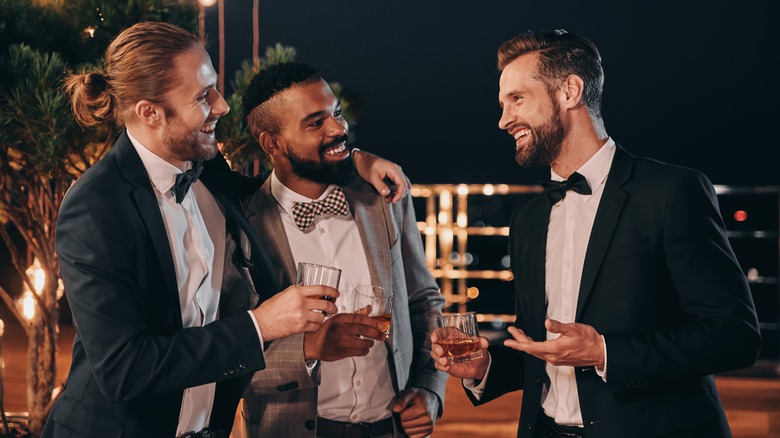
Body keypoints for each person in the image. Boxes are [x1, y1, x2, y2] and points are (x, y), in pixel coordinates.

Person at [44, 22, 408, 438]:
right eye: (203, 96)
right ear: (150, 113)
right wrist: (260, 325)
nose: (222, 105)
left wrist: (351, 160)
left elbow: (277, 188)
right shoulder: (96, 206)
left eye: (214, 88)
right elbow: (125, 370)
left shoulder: (208, 169)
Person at [431, 29, 761, 438]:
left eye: (517, 99)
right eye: (503, 104)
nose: (503, 120)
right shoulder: (528, 219)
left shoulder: (671, 192)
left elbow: (735, 337)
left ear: (570, 91)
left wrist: (605, 353)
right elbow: (541, 349)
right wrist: (484, 367)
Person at [239, 62, 447, 438]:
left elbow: (423, 301)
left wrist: (429, 388)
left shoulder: (383, 196)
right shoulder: (243, 227)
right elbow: (228, 358)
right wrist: (310, 347)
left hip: (391, 427)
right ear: (273, 143)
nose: (338, 128)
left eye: (335, 113)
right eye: (315, 123)